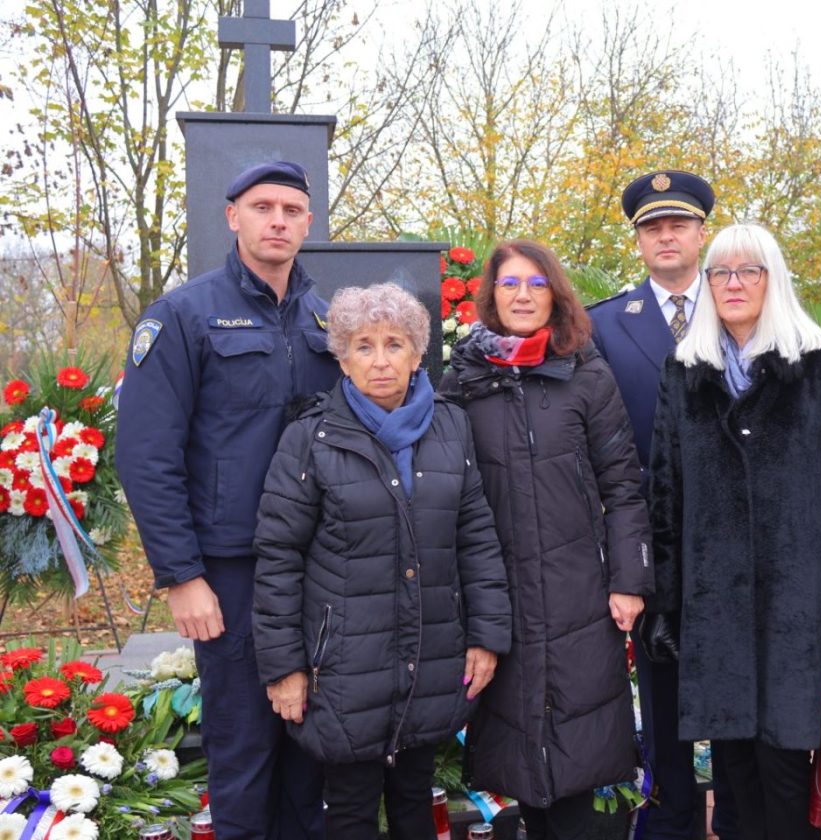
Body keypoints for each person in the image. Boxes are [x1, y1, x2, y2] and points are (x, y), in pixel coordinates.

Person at [116, 161, 339, 840]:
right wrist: (182, 575)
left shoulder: (328, 317)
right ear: (232, 216)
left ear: (308, 221)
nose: (278, 220)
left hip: (320, 563)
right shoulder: (182, 315)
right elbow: (146, 456)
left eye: (293, 209)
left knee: (311, 749)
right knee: (243, 748)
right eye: (263, 206)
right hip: (231, 569)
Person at [644, 223, 821, 840]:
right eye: (720, 272)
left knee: (785, 768)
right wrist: (666, 602)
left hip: (795, 604)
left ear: (773, 280)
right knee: (731, 770)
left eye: (749, 271)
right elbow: (664, 494)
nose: (733, 283)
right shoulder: (683, 371)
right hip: (713, 603)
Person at [251, 282, 512, 839]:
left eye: (394, 344)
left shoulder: (451, 427)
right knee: (349, 810)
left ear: (418, 354)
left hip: (432, 655)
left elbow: (477, 537)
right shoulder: (310, 438)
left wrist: (487, 637)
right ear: (342, 358)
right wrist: (284, 668)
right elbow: (278, 558)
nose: (380, 360)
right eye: (363, 345)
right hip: (344, 668)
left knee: (416, 802)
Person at [439, 239, 653, 840]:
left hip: (580, 594)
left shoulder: (586, 373)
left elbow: (624, 485)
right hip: (498, 595)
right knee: (519, 749)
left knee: (585, 749)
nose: (523, 295)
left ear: (555, 293)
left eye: (536, 284)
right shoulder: (464, 381)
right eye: (510, 284)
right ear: (491, 296)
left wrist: (629, 581)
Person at [586, 169, 739, 840]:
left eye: (679, 223)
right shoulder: (604, 326)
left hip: (739, 542)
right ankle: (671, 817)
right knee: (665, 693)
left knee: (740, 691)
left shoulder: (743, 307)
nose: (667, 235)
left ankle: (737, 815)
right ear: (639, 241)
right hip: (651, 540)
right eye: (653, 227)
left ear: (702, 233)